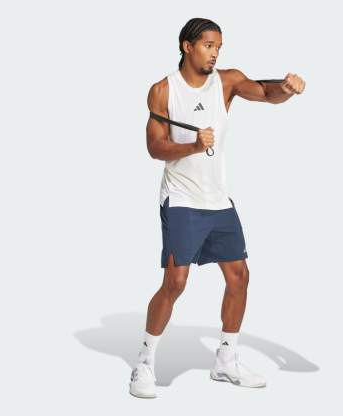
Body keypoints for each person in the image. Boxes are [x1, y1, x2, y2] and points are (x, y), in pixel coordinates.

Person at [130, 17, 306, 399]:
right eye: (208, 45)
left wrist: (286, 89)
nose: (215, 54)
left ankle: (226, 360)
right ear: (187, 45)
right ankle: (144, 361)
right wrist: (193, 145)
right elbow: (154, 147)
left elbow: (265, 92)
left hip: (218, 199)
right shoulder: (163, 90)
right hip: (181, 198)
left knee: (239, 276)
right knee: (175, 282)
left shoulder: (226, 82)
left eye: (219, 47)